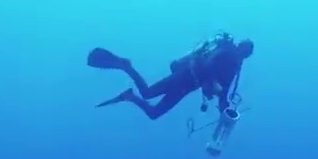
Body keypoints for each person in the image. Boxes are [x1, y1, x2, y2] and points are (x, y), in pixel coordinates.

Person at [88, 32, 254, 120]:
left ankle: (128, 83)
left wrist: (224, 112)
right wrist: (214, 84)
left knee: (148, 96)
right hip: (185, 78)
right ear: (241, 48)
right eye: (244, 51)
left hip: (186, 83)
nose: (242, 54)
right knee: (153, 111)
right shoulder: (228, 52)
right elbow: (209, 64)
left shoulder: (234, 65)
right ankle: (127, 75)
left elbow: (223, 93)